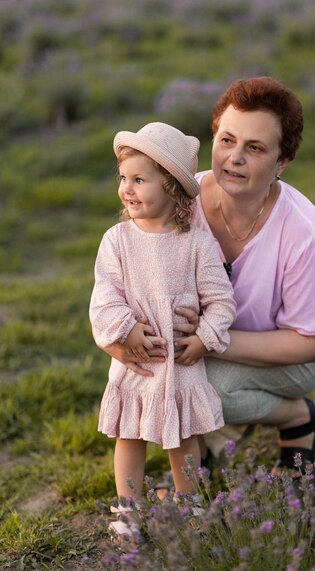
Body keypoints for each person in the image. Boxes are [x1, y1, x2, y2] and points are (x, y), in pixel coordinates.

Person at [102, 76, 315, 475]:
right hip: (206, 338)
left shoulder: (305, 232)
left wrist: (210, 341)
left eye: (254, 148)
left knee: (206, 386)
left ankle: (297, 416)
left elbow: (309, 341)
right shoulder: (180, 203)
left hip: (300, 349)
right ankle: (208, 446)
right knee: (172, 370)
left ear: (281, 162)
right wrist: (118, 342)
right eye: (227, 140)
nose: (235, 157)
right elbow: (122, 280)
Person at [89, 122, 236, 535]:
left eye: (139, 179)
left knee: (182, 439)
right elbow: (105, 296)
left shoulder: (196, 245)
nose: (127, 189)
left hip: (179, 362)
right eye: (123, 179)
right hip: (137, 361)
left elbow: (221, 301)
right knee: (129, 438)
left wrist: (204, 338)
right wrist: (125, 330)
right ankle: (128, 512)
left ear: (171, 187)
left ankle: (188, 505)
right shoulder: (117, 240)